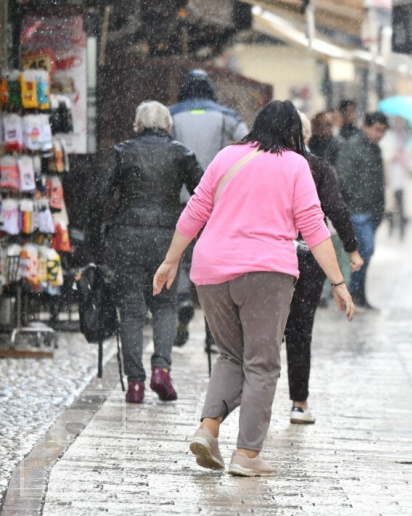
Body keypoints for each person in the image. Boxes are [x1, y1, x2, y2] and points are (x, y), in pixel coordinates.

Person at [152, 100, 354, 477]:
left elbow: (196, 209)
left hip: (211, 270)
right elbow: (313, 226)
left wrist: (170, 260)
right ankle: (246, 454)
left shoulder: (227, 156)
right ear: (294, 132)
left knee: (230, 355)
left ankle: (208, 428)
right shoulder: (295, 164)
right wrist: (338, 282)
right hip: (265, 272)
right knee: (261, 364)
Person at [101, 101, 204, 404]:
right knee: (164, 306)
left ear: (136, 126)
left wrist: (100, 235)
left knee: (131, 311)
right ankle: (161, 369)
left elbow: (100, 196)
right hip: (167, 239)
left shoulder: (122, 153)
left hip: (127, 237)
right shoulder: (180, 153)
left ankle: (135, 384)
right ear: (169, 127)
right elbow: (203, 192)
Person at [285, 112, 364, 425]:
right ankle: (299, 402)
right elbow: (336, 209)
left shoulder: (264, 163)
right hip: (307, 252)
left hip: (266, 251)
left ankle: (252, 397)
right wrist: (351, 248)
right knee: (300, 328)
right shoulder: (318, 167)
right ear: (305, 135)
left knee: (262, 328)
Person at [170, 69, 249, 347]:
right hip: (217, 201)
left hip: (181, 199)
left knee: (181, 255)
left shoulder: (172, 115)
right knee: (214, 262)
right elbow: (249, 140)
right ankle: (212, 329)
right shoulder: (226, 115)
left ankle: (181, 300)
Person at [335, 111, 389, 309]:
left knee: (364, 252)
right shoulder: (352, 148)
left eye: (383, 131)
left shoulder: (375, 149)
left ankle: (358, 292)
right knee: (365, 250)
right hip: (358, 211)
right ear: (365, 126)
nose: (379, 134)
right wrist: (356, 201)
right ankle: (354, 291)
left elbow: (379, 181)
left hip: (373, 210)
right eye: (377, 130)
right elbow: (344, 178)